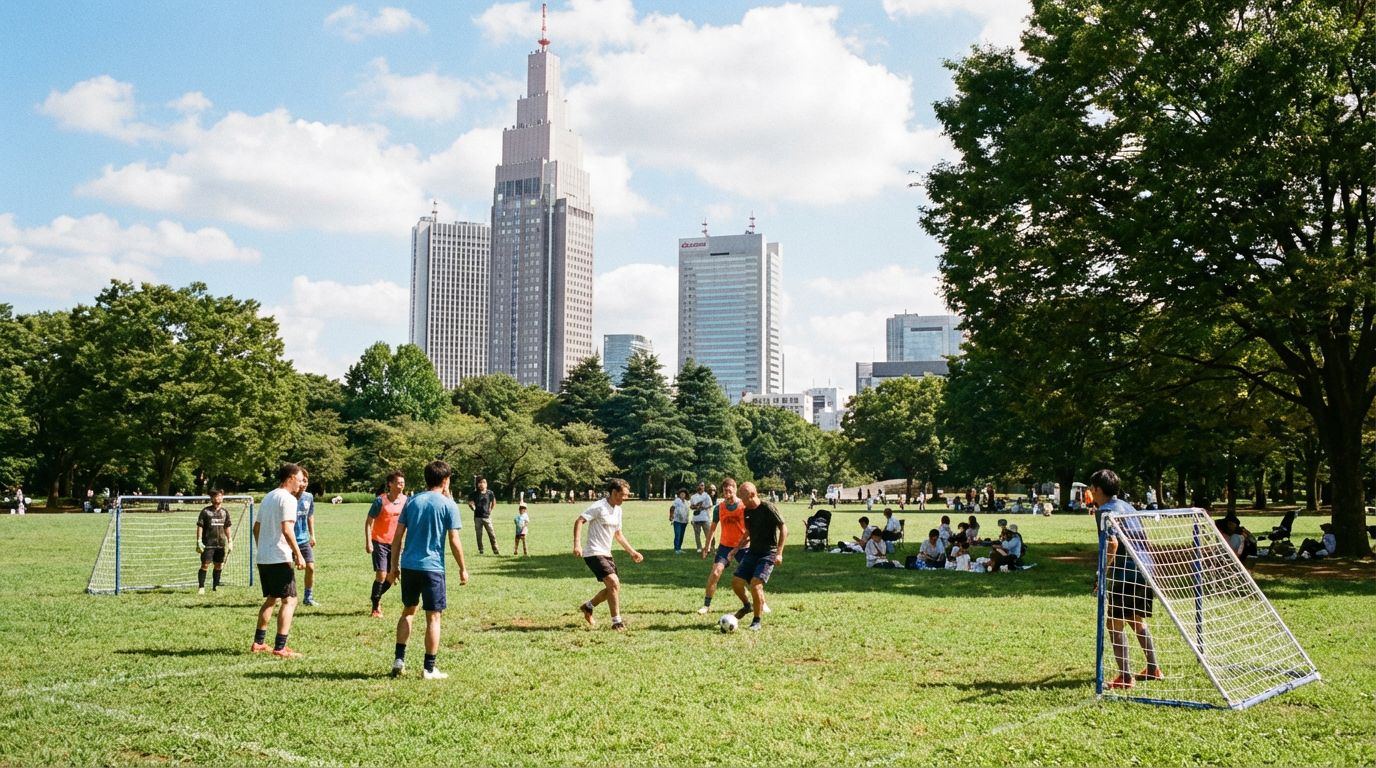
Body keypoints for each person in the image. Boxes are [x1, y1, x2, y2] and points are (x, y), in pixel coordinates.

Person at [387, 460, 469, 679]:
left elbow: (397, 538)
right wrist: (463, 568)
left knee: (408, 611)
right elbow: (454, 540)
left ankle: (399, 660)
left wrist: (393, 567)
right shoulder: (448, 504)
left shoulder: (411, 502)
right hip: (433, 568)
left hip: (409, 565)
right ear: (445, 480)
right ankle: (429, 668)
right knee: (434, 617)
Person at [1092, 468, 1160, 690]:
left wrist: (1102, 572)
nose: (1090, 492)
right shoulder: (1128, 506)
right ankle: (1153, 669)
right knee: (1135, 620)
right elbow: (1145, 539)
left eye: (1091, 488)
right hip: (1144, 568)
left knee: (1114, 624)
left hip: (1126, 573)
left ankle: (1126, 677)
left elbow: (1112, 544)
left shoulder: (1104, 511)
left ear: (1098, 489)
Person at [251, 463, 308, 657]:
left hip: (264, 557)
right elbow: (287, 529)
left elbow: (255, 529)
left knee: (272, 599)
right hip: (279, 557)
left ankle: (259, 642)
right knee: (290, 600)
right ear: (290, 478)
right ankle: (280, 646)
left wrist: (263, 549)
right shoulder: (288, 499)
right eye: (300, 480)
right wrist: (298, 554)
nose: (302, 484)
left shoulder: (268, 496)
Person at [575, 478, 643, 631]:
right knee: (613, 583)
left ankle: (588, 606)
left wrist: (632, 552)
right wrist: (577, 544)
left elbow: (618, 534)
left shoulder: (618, 510)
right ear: (614, 492)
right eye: (623, 495)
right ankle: (617, 622)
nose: (625, 498)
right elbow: (579, 521)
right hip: (593, 552)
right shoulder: (599, 506)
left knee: (613, 588)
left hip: (606, 553)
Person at [729, 482, 787, 630]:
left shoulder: (768, 508)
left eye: (742, 497)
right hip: (753, 552)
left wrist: (779, 553)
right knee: (736, 582)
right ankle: (747, 606)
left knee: (755, 584)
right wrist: (735, 549)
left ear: (752, 495)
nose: (741, 501)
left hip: (768, 553)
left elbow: (783, 528)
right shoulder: (746, 511)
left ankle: (756, 621)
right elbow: (748, 533)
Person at [696, 478, 750, 614]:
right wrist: (707, 547)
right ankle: (706, 606)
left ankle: (761, 602)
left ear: (735, 489)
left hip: (743, 547)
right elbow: (712, 529)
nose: (727, 493)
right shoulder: (719, 508)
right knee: (715, 572)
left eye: (729, 491)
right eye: (725, 491)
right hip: (725, 547)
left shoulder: (744, 506)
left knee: (752, 577)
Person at [365, 470, 406, 618]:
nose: (401, 485)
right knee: (381, 575)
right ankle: (376, 607)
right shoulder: (380, 501)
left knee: (392, 576)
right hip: (379, 541)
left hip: (395, 543)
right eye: (398, 482)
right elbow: (369, 522)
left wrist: (403, 541)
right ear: (390, 484)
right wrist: (369, 542)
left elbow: (406, 524)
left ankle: (376, 596)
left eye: (403, 482)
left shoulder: (406, 501)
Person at [195, 489, 233, 594]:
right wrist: (199, 540)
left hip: (220, 544)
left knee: (218, 565)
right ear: (212, 498)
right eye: (217, 496)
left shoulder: (224, 512)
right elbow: (200, 526)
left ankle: (215, 586)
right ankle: (201, 587)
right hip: (208, 543)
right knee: (205, 565)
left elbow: (227, 526)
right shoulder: (205, 512)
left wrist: (230, 540)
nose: (219, 498)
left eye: (221, 496)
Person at [293, 471, 320, 607]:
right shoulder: (288, 496)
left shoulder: (308, 497)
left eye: (306, 481)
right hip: (287, 540)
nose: (304, 484)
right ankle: (283, 596)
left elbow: (310, 515)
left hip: (303, 539)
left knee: (310, 567)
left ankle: (308, 597)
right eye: (302, 480)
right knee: (287, 569)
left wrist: (312, 535)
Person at [467, 478, 500, 555]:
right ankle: (481, 549)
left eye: (484, 482)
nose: (482, 484)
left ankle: (495, 549)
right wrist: (471, 506)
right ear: (478, 484)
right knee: (479, 534)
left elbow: (493, 501)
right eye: (480, 482)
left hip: (487, 517)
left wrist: (490, 510)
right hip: (477, 517)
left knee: (491, 533)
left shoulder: (489, 493)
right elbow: (470, 503)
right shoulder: (474, 494)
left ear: (486, 484)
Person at [689, 482, 713, 552]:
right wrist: (696, 506)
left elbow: (710, 505)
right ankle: (699, 547)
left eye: (702, 485)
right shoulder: (693, 497)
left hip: (705, 517)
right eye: (700, 485)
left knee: (707, 533)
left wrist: (703, 508)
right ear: (697, 486)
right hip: (696, 517)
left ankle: (708, 547)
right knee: (697, 534)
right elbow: (691, 506)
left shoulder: (706, 496)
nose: (701, 487)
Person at [669, 488, 691, 554]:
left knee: (682, 535)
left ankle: (679, 548)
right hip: (677, 520)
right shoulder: (677, 501)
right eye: (681, 494)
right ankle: (676, 548)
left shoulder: (686, 502)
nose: (682, 496)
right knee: (677, 534)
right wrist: (671, 515)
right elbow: (672, 508)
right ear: (679, 495)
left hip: (684, 521)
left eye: (684, 494)